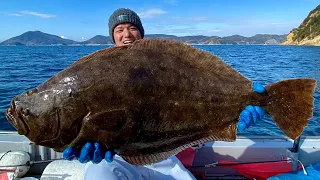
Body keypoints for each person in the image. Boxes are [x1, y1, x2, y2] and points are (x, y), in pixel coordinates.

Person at [62, 8, 267, 179]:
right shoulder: (98, 74)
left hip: (165, 159)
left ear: (141, 33)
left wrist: (234, 116)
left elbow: (194, 109)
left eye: (132, 28)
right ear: (113, 36)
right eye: (119, 30)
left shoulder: (164, 67)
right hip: (116, 157)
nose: (126, 34)